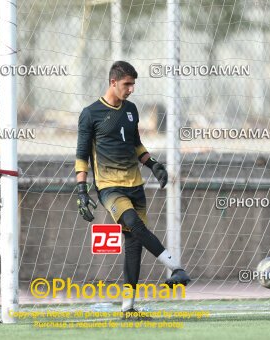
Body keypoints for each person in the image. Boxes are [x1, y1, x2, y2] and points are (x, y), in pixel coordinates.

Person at [75, 61, 190, 316]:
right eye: (127, 84)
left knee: (134, 242)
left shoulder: (131, 110)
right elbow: (82, 154)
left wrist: (153, 165)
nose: (131, 89)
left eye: (133, 84)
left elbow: (136, 143)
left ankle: (128, 306)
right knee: (136, 226)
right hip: (109, 187)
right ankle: (175, 267)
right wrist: (82, 190)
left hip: (135, 184)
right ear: (113, 82)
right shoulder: (90, 113)